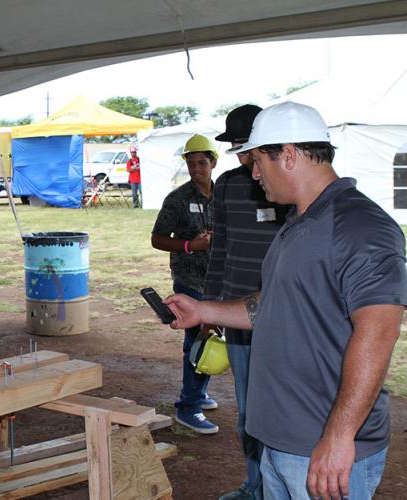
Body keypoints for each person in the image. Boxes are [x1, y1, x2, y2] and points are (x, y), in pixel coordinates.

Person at [164, 102, 407, 500]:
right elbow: (274, 304)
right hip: (279, 439)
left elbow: (379, 334)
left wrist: (339, 436)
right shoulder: (297, 221)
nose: (253, 172)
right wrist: (204, 310)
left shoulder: (361, 227)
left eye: (258, 159)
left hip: (320, 449)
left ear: (289, 155)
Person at [206, 104, 289, 500]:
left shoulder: (287, 187)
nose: (243, 156)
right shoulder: (225, 185)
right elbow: (219, 245)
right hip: (237, 315)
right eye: (237, 147)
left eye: (248, 146)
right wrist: (211, 303)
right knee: (248, 410)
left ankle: (278, 487)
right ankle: (254, 486)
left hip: (283, 316)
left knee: (283, 408)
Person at [150, 133, 218, 434]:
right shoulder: (178, 199)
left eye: (201, 163)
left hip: (218, 280)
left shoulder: (225, 195)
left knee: (211, 335)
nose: (196, 169)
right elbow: (157, 239)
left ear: (213, 162)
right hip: (189, 280)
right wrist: (190, 246)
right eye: (191, 164)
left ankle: (198, 393)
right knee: (197, 339)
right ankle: (187, 407)